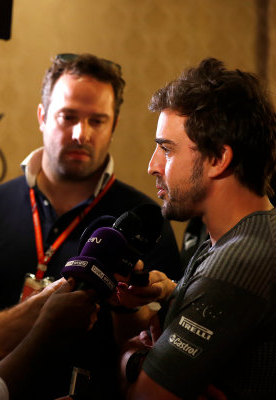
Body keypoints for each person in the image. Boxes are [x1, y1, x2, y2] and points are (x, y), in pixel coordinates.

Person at [0, 53, 182, 398]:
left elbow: (156, 347)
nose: (81, 133)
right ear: (43, 116)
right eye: (68, 117)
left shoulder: (146, 219)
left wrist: (129, 304)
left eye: (97, 121)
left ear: (114, 125)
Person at [116, 57, 276, 399]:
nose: (151, 166)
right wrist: (172, 293)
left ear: (218, 159)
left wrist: (132, 358)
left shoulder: (240, 258)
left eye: (167, 150)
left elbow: (145, 396)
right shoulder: (231, 238)